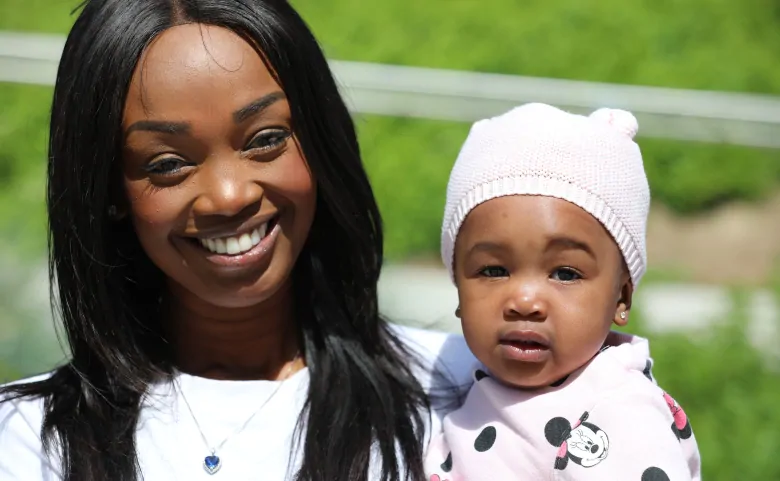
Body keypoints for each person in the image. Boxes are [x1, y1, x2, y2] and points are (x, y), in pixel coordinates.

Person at [0, 1, 475, 480]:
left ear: (319, 140)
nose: (229, 197)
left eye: (265, 139)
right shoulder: (22, 442)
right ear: (109, 191)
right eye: (167, 164)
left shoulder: (468, 398)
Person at [424, 103, 702, 481]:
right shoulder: (467, 386)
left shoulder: (615, 416)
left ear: (622, 298)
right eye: (492, 270)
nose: (524, 301)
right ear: (458, 286)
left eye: (566, 273)